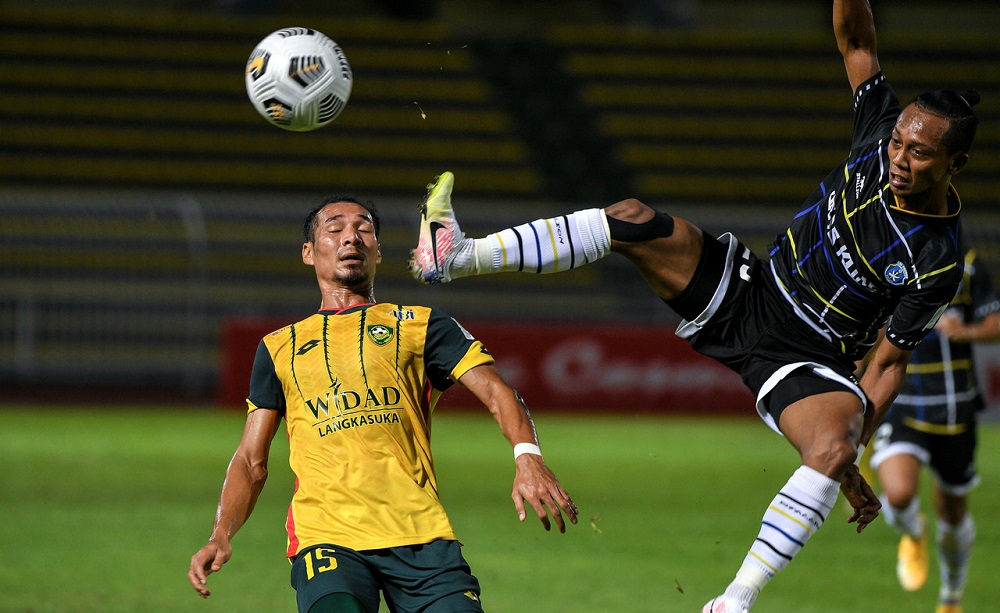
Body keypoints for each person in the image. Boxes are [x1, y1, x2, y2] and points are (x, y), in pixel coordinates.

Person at [407, 0, 980, 610]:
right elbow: (857, 38)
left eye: (919, 155)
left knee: (835, 445)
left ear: (955, 164)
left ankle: (732, 601)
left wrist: (848, 458)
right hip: (755, 290)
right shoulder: (878, 135)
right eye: (898, 144)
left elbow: (886, 366)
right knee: (632, 220)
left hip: (809, 357)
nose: (899, 158)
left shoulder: (938, 259)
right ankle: (456, 256)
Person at [187, 197, 578, 612]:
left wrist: (528, 456)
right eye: (334, 228)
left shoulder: (423, 324)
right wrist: (220, 533)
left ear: (377, 251)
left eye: (364, 229)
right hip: (327, 537)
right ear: (308, 252)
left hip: (422, 535)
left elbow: (499, 392)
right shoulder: (278, 347)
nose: (351, 236)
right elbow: (251, 460)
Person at [870, 244, 1000, 613]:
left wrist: (967, 330)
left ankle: (950, 598)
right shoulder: (889, 265)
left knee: (954, 513)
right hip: (904, 405)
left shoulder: (969, 267)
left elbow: (996, 323)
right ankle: (914, 532)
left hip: (956, 411)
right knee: (897, 495)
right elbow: (874, 333)